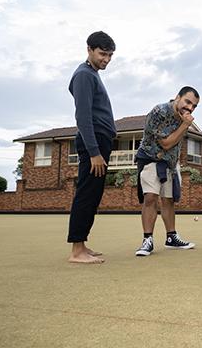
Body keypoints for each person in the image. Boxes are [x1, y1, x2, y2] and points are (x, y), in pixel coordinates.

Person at [67, 31, 117, 264]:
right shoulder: (84, 75)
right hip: (93, 143)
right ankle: (77, 251)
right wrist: (95, 152)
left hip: (100, 140)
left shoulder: (92, 74)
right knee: (87, 194)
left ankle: (82, 245)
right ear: (89, 49)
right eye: (102, 54)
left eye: (110, 55)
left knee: (93, 194)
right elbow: (83, 117)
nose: (106, 59)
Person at [134, 86, 200, 256]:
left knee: (169, 200)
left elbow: (175, 144)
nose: (190, 108)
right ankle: (147, 240)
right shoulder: (159, 112)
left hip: (170, 163)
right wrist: (185, 125)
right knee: (150, 198)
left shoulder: (183, 118)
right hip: (151, 159)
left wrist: (184, 124)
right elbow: (166, 143)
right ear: (177, 97)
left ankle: (171, 237)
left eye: (194, 106)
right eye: (187, 102)